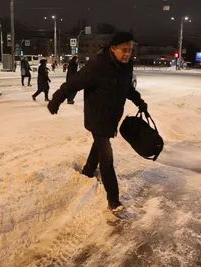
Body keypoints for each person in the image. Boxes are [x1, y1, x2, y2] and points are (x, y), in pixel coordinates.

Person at [47, 32, 148, 216]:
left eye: (130, 50)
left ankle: (87, 171)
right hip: (97, 117)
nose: (127, 54)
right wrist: (56, 100)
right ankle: (113, 200)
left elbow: (127, 88)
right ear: (113, 49)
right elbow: (73, 83)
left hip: (112, 118)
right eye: (124, 50)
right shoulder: (97, 66)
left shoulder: (125, 66)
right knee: (107, 158)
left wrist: (140, 102)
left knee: (99, 146)